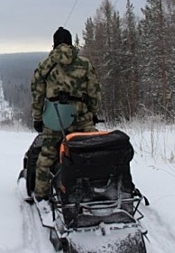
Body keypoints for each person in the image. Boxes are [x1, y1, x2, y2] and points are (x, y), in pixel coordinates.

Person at [30, 27, 101, 218]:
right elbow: (94, 92)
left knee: (46, 158)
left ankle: (42, 196)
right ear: (71, 43)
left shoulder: (45, 65)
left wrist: (37, 117)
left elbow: (37, 94)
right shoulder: (85, 64)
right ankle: (98, 190)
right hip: (81, 118)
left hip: (55, 119)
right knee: (93, 151)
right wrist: (92, 113)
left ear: (54, 44)